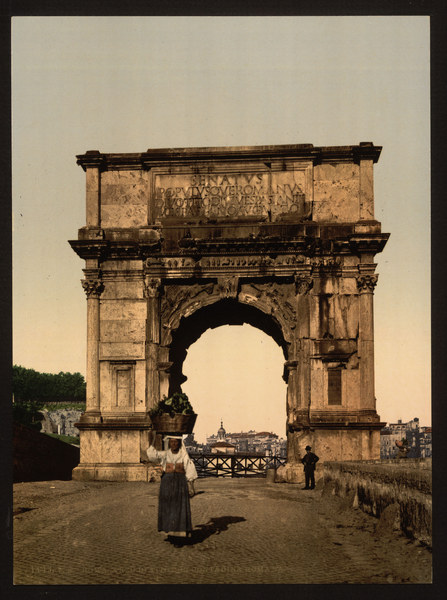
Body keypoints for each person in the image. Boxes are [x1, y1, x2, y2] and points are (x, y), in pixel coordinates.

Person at [146, 435, 198, 540]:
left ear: (179, 443)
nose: (174, 444)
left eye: (176, 442)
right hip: (167, 483)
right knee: (168, 507)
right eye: (172, 442)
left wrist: (191, 487)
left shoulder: (183, 455)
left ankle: (180, 532)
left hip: (180, 483)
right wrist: (154, 439)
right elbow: (152, 455)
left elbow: (190, 470)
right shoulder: (165, 454)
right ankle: (169, 530)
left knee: (179, 507)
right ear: (169, 443)